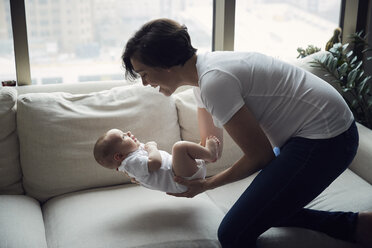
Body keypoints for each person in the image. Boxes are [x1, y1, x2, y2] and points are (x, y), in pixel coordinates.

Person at [121, 18, 372, 247]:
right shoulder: (202, 78)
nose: (145, 83)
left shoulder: (214, 81)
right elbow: (211, 150)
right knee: (259, 210)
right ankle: (358, 226)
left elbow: (260, 156)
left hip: (328, 139)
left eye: (144, 74)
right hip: (312, 135)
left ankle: (354, 226)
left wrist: (206, 184)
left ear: (164, 64)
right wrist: (153, 169)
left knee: (232, 234)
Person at [93, 128, 220, 193]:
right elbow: (155, 163)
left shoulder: (131, 157)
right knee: (179, 147)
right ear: (119, 156)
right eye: (123, 136)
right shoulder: (130, 162)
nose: (129, 133)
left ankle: (201, 155)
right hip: (181, 180)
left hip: (181, 174)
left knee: (183, 151)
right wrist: (152, 147)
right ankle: (210, 154)